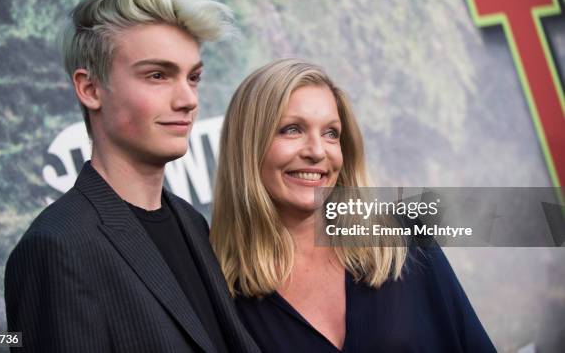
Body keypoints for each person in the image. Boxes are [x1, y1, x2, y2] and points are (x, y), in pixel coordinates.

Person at [5, 0, 259, 353]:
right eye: (157, 75)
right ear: (90, 89)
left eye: (193, 77)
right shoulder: (57, 246)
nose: (187, 98)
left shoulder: (191, 222)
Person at [210, 58, 495, 352]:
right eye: (292, 129)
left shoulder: (406, 237)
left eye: (331, 133)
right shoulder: (221, 290)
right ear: (247, 146)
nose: (317, 151)